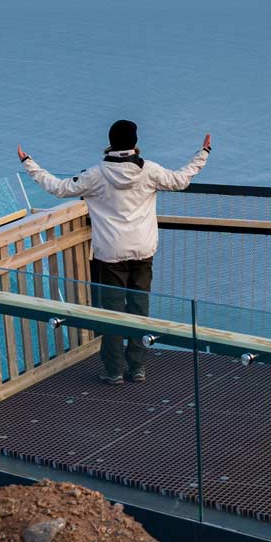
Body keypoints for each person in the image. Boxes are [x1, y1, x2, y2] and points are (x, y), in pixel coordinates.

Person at [18, 121, 210, 385]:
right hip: (143, 250)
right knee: (139, 309)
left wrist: (29, 163)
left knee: (111, 313)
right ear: (134, 142)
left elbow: (58, 188)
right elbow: (181, 179)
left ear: (110, 142)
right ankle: (138, 367)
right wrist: (203, 154)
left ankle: (113, 370)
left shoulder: (95, 175)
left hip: (109, 253)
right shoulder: (149, 171)